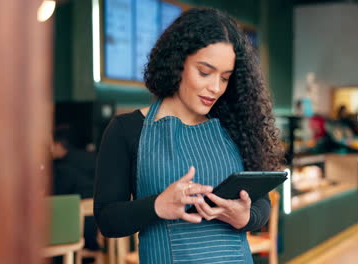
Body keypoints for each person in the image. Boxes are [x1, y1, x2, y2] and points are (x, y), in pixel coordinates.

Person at [94, 8, 283, 264]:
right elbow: (107, 220)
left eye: (225, 78)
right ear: (177, 63)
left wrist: (245, 217)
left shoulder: (233, 127)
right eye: (205, 72)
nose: (215, 88)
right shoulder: (126, 130)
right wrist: (158, 206)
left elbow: (260, 204)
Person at [52, 126, 100, 252]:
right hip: (101, 222)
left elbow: (58, 197)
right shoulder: (91, 156)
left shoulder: (62, 167)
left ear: (58, 144)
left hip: (78, 232)